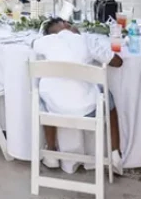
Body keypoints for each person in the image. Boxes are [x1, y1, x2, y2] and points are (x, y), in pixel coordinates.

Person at [33, 17, 123, 175]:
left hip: (54, 107)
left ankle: (52, 152)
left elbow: (33, 44)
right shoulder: (86, 40)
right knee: (109, 98)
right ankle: (115, 153)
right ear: (67, 25)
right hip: (87, 107)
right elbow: (117, 62)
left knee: (43, 92)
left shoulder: (46, 42)